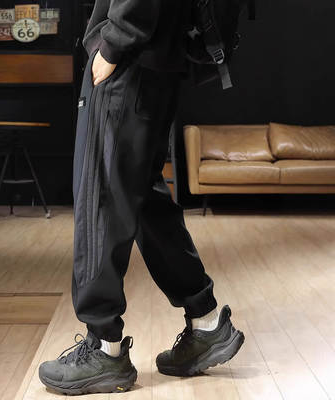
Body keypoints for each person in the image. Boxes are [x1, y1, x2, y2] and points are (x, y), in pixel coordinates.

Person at [39, 0, 245, 395]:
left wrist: (112, 45)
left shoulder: (122, 48)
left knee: (101, 196)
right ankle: (205, 322)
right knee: (144, 198)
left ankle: (104, 348)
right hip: (159, 62)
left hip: (129, 61)